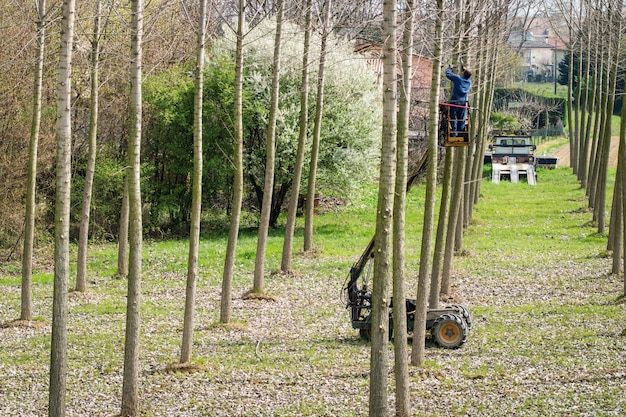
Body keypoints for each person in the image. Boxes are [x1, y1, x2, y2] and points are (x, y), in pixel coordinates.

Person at [445, 66, 472, 133]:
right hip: (463, 103)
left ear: (463, 73)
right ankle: (461, 133)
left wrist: (449, 68)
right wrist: (465, 70)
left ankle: (454, 133)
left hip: (455, 101)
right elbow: (467, 76)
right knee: (461, 119)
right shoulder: (469, 82)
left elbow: (448, 74)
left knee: (453, 117)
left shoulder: (458, 78)